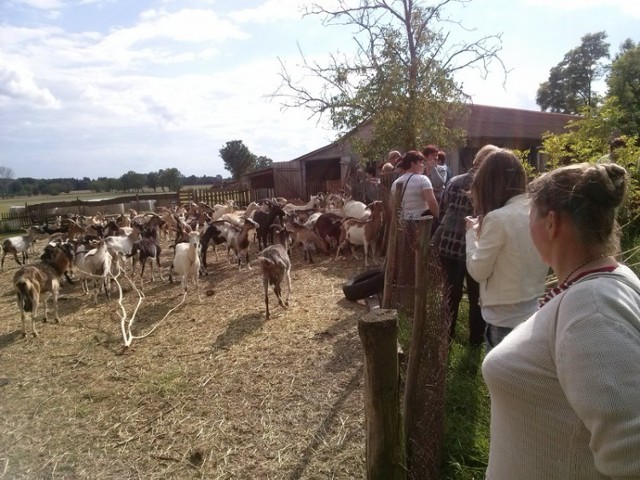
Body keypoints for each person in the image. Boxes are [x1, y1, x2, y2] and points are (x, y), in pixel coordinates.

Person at [482, 162, 640, 479]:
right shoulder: (598, 284)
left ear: (551, 223)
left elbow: (631, 453)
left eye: (531, 216)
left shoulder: (591, 308)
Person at [465, 148, 547, 351]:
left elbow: (478, 271)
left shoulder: (497, 218)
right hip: (532, 311)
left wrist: (470, 234)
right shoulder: (536, 210)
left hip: (502, 320)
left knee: (500, 380)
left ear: (488, 184)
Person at [434, 145, 499, 345]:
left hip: (448, 244)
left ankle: (446, 336)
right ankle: (476, 341)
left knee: (450, 293)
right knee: (477, 297)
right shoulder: (491, 188)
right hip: (475, 247)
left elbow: (443, 207)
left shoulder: (454, 181)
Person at [391, 150, 439, 220]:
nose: (423, 165)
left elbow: (392, 205)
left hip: (403, 223)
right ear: (413, 164)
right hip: (422, 222)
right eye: (421, 163)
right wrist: (437, 217)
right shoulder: (423, 179)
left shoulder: (395, 183)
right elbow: (432, 202)